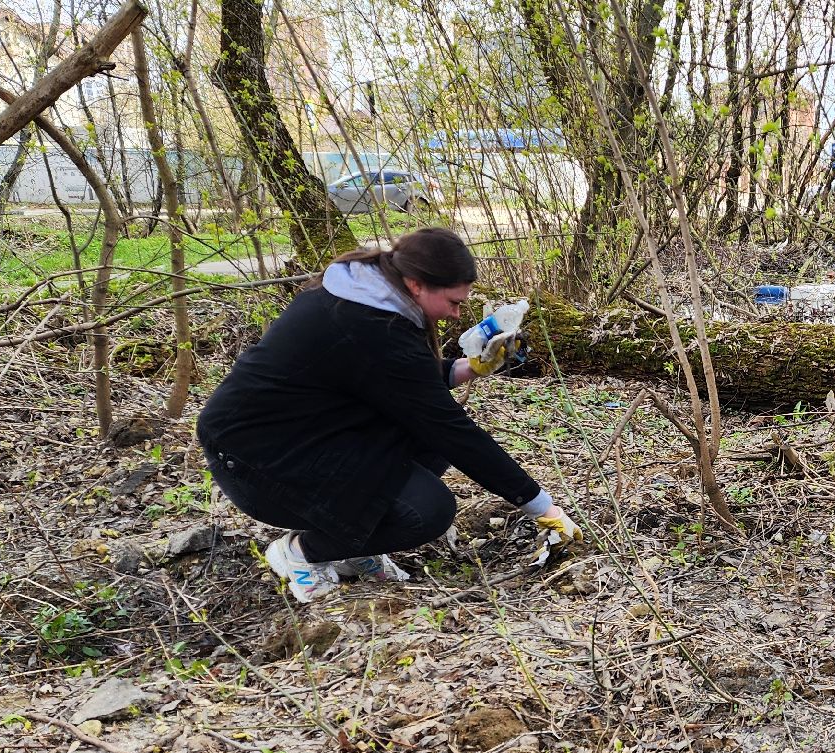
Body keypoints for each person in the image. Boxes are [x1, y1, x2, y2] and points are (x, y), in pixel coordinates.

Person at [196, 227, 580, 603]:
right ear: (416, 284)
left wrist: (468, 368)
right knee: (427, 511)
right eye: (453, 302)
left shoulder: (371, 296)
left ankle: (349, 550)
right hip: (253, 459)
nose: (456, 313)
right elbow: (450, 428)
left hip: (306, 434)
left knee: (425, 446)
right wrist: (541, 506)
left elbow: (393, 377)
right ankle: (302, 551)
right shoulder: (366, 322)